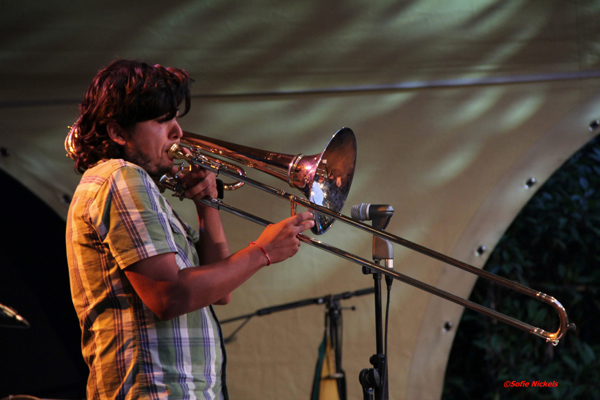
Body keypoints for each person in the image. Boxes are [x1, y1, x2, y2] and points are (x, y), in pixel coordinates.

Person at [65, 59, 314, 399]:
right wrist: (262, 252)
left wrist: (207, 204)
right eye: (162, 120)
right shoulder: (121, 177)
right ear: (118, 132)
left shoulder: (141, 188)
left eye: (175, 119)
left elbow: (219, 292)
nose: (178, 133)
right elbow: (170, 295)